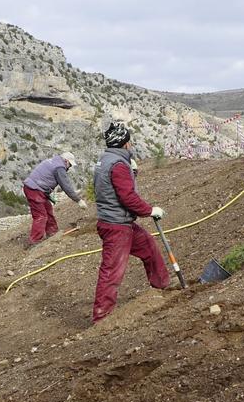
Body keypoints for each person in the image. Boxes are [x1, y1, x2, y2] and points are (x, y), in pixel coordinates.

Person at [92, 122, 170, 323]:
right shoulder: (117, 165)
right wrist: (150, 210)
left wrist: (132, 172)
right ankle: (101, 317)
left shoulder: (106, 160)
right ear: (125, 144)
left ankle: (161, 288)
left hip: (121, 223)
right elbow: (127, 197)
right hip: (116, 226)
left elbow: (114, 187)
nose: (131, 144)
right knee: (112, 271)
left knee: (149, 247)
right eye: (130, 141)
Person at [22, 151, 86, 244]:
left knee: (48, 210)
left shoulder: (54, 160)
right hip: (34, 190)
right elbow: (66, 186)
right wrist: (78, 200)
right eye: (70, 165)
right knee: (41, 215)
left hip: (37, 189)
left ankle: (52, 233)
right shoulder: (59, 167)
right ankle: (34, 240)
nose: (69, 167)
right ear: (66, 161)